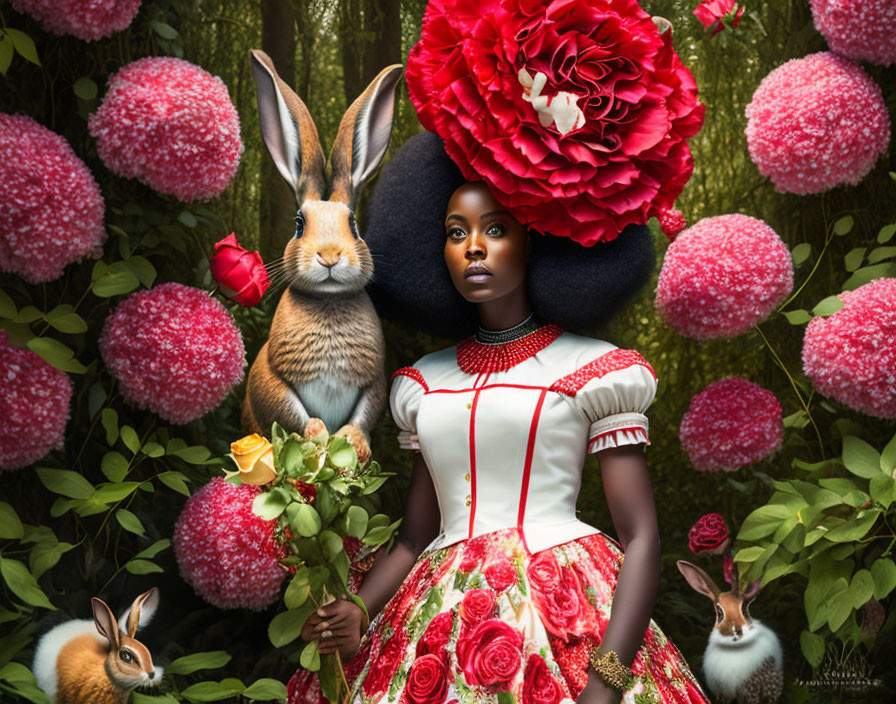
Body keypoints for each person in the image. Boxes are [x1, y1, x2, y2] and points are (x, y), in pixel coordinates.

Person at [288, 151, 710, 703]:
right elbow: (415, 536)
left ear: (533, 242)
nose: (474, 248)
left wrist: (607, 680)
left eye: (496, 229)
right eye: (456, 232)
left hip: (566, 604)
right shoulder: (425, 382)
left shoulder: (593, 369)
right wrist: (360, 609)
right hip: (437, 613)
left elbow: (642, 537)